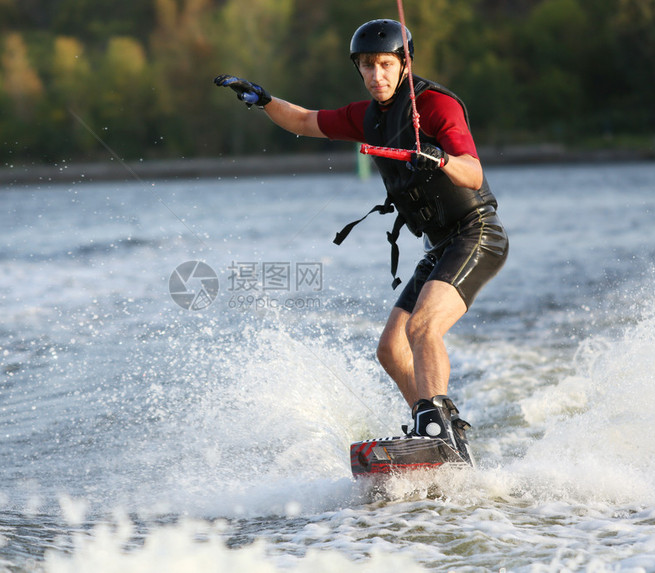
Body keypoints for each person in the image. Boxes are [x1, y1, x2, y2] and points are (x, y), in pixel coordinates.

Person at [214, 19, 507, 464]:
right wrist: (266, 100)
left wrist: (440, 157)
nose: (377, 76)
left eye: (386, 65)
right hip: (440, 243)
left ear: (404, 64)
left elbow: (473, 171)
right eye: (367, 66)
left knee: (423, 327)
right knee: (390, 349)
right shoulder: (366, 116)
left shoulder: (435, 106)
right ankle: (438, 437)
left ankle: (437, 428)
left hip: (476, 233)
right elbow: (305, 121)